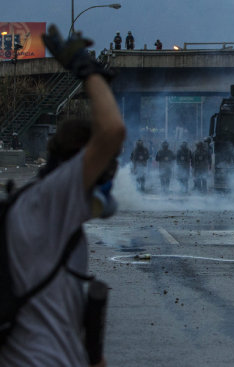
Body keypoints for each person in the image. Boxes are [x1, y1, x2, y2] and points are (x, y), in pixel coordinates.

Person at [0, 25, 125, 367]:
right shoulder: (51, 200)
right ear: (80, 166)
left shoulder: (58, 218)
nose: (109, 186)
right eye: (105, 172)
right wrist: (88, 70)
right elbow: (113, 131)